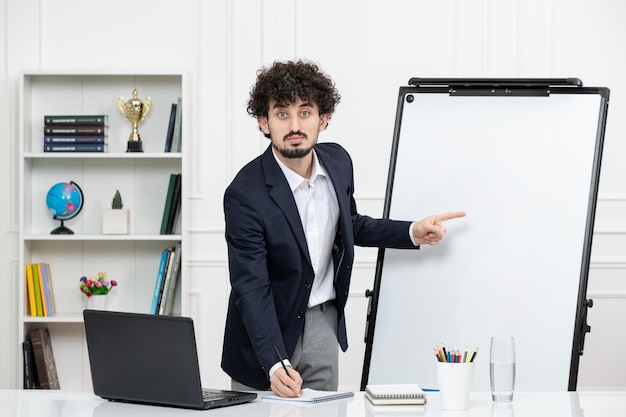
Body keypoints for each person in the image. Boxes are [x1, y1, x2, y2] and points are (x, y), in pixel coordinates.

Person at [221, 60, 465, 397]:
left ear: (323, 118)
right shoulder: (244, 194)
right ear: (264, 122)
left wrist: (411, 232)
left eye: (305, 112)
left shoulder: (338, 162)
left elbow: (349, 225)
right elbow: (251, 285)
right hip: (265, 333)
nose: (294, 125)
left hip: (323, 323)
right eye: (281, 114)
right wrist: (274, 362)